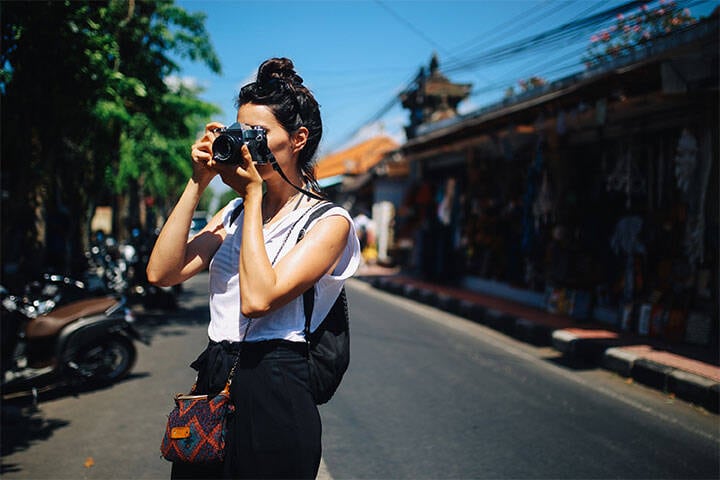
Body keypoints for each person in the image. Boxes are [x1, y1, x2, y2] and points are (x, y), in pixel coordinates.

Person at [147, 57, 361, 479]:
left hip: (276, 383)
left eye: (258, 134)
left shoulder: (327, 222)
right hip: (215, 373)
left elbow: (259, 298)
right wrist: (198, 182)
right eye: (239, 130)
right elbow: (162, 273)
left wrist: (252, 196)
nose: (245, 143)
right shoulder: (231, 214)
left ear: (298, 139)